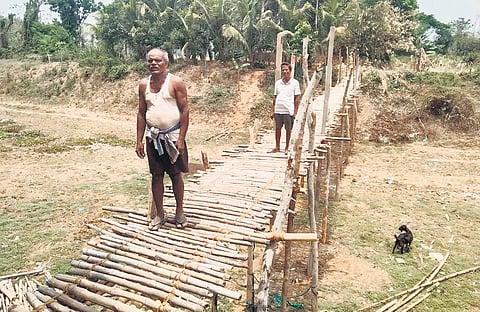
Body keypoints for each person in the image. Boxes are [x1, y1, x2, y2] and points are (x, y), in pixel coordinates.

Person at [136, 48, 189, 230]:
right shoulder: (144, 85)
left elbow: (185, 111)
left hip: (172, 137)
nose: (153, 64)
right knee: (156, 176)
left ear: (166, 63)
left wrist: (181, 139)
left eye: (157, 61)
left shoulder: (176, 83)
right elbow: (142, 112)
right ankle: (160, 214)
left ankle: (179, 212)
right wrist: (139, 140)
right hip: (154, 138)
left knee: (175, 175)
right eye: (150, 61)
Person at [270, 62, 301, 153]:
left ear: (290, 71)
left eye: (286, 69)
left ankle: (287, 147)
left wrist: (295, 112)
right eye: (283, 70)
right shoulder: (278, 83)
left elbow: (297, 98)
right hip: (278, 109)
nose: (285, 71)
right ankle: (277, 147)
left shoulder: (295, 83)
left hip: (288, 110)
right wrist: (273, 110)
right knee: (278, 129)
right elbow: (275, 97)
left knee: (288, 129)